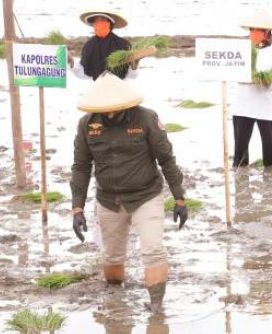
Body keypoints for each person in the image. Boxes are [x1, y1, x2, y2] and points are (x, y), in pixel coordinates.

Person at [70, 73, 189, 312]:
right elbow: (81, 167)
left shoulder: (146, 119)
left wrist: (179, 198)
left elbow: (166, 159)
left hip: (146, 196)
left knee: (153, 249)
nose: (108, 113)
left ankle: (156, 304)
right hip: (108, 200)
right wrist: (77, 208)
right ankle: (115, 297)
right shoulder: (87, 125)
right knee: (112, 258)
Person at [231, 9, 272, 168]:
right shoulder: (241, 51)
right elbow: (234, 75)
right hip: (242, 107)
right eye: (251, 29)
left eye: (257, 30)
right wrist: (252, 78)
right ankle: (240, 186)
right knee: (239, 156)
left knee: (271, 156)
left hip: (266, 109)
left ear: (266, 33)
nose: (252, 33)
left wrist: (268, 80)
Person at [69, 7, 136, 81]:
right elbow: (83, 74)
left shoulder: (123, 44)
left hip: (118, 87)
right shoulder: (88, 46)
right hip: (98, 88)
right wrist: (72, 65)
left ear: (110, 23)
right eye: (96, 21)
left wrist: (134, 66)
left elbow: (132, 75)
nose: (99, 23)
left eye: (102, 20)